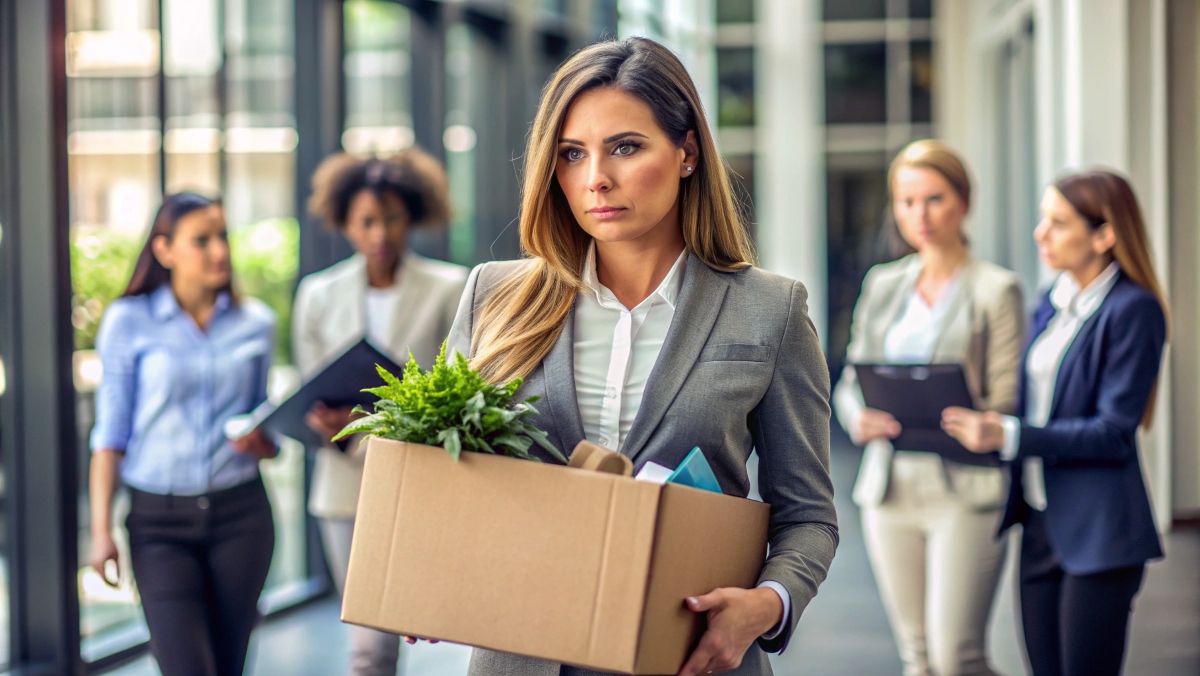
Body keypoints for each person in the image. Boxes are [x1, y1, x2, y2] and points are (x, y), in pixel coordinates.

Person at [443, 37, 837, 676]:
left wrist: (768, 603)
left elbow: (809, 517)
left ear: (686, 154)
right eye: (572, 154)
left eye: (625, 147)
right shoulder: (495, 295)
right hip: (523, 654)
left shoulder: (771, 310)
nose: (596, 177)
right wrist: (430, 571)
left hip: (689, 657)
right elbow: (447, 475)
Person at [943, 170, 1167, 676]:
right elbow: (1036, 400)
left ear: (1105, 234)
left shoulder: (1134, 310)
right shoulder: (1052, 299)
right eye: (1044, 219)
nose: (1040, 233)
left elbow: (1113, 432)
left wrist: (1009, 435)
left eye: (1058, 222)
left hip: (1099, 531)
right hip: (1041, 522)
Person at [833, 140, 1025, 675]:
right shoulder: (884, 283)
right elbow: (851, 379)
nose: (919, 215)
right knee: (917, 657)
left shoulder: (996, 289)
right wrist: (856, 416)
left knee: (955, 656)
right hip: (890, 488)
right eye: (907, 201)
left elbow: (1006, 399)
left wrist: (982, 422)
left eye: (934, 199)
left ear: (964, 201)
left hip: (964, 489)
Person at [293, 148, 468, 676]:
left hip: (419, 483)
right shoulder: (318, 296)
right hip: (344, 488)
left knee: (397, 635)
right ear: (344, 222)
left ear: (412, 216)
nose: (381, 233)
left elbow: (455, 392)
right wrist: (328, 425)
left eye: (392, 218)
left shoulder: (450, 288)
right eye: (367, 220)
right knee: (369, 646)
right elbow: (312, 394)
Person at [88, 193, 279, 676]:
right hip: (159, 524)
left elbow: (265, 432)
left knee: (229, 665)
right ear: (165, 250)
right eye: (202, 240)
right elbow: (110, 434)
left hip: (242, 517)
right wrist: (100, 531)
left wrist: (261, 441)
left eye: (223, 237)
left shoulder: (256, 323)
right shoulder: (128, 322)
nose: (220, 251)